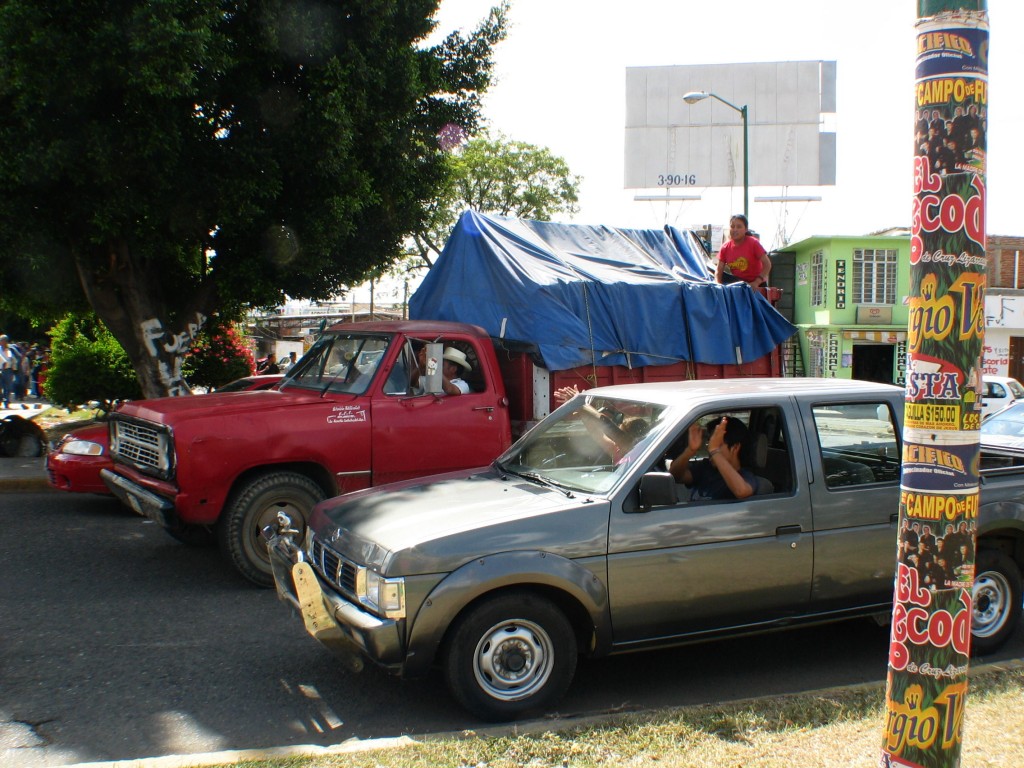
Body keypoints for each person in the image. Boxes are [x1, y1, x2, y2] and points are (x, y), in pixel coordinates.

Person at [553, 384, 649, 463]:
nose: (615, 440)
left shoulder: (636, 452)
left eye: (620, 433)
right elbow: (596, 433)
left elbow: (606, 423)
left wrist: (580, 403)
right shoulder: (618, 451)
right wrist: (583, 413)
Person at [669, 416, 756, 501]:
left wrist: (715, 451)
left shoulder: (745, 476)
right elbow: (675, 476)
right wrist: (690, 451)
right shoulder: (706, 468)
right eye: (710, 444)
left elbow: (742, 492)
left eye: (717, 444)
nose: (710, 449)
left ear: (735, 448)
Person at [716, 214, 770, 288]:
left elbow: (767, 265)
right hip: (739, 286)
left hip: (757, 285)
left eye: (739, 227)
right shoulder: (725, 247)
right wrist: (718, 286)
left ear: (746, 229)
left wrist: (756, 282)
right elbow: (718, 271)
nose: (735, 229)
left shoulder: (753, 243)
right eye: (732, 226)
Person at [0, 335, 18, 408]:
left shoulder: (10, 349)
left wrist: (14, 369)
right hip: (0, 370)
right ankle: (1, 400)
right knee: (0, 386)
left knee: (8, 387)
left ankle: (6, 402)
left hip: (8, 370)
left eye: (4, 341)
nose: (3, 342)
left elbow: (13, 360)